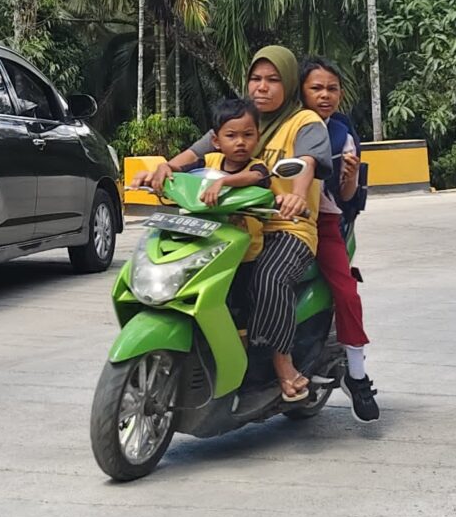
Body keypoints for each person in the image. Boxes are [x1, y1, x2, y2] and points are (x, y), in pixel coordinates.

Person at [142, 46, 328, 400]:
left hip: (286, 227)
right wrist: (166, 167)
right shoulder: (242, 119)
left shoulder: (304, 122)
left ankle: (283, 367)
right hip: (233, 225)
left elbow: (307, 163)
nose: (263, 87)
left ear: (288, 83)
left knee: (269, 276)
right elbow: (197, 152)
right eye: (256, 79)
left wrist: (297, 196)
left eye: (273, 80)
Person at [299, 57, 378, 421]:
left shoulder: (342, 134)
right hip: (271, 219)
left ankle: (358, 377)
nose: (325, 95)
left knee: (346, 291)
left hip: (324, 221)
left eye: (331, 88)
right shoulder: (285, 126)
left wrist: (348, 174)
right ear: (301, 90)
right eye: (317, 88)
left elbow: (346, 197)